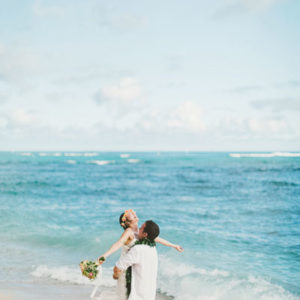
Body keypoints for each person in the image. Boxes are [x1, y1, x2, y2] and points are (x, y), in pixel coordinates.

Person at [97, 209, 183, 300]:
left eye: (134, 214)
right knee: (125, 294)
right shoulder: (129, 232)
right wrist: (105, 255)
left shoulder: (140, 230)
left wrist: (173, 245)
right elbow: (118, 244)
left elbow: (156, 238)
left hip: (136, 263)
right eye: (133, 216)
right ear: (127, 222)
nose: (135, 215)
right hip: (126, 265)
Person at [113, 220, 160, 300]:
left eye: (141, 228)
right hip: (149, 293)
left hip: (137, 294)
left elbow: (118, 267)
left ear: (145, 234)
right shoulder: (153, 248)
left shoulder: (138, 249)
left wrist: (115, 275)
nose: (138, 229)